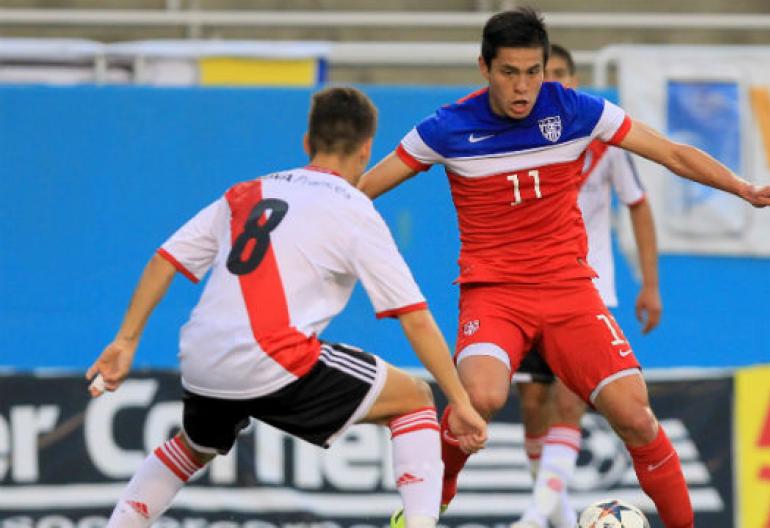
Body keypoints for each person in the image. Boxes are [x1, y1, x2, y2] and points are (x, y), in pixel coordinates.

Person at [358, 8, 770, 528]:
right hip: (494, 293)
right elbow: (364, 189)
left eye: (533, 72)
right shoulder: (446, 128)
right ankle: (430, 504)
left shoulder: (577, 112)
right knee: (481, 398)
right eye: (508, 73)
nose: (523, 87)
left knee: (636, 416)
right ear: (484, 67)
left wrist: (743, 187)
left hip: (570, 292)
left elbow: (671, 153)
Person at [85, 86, 487, 527]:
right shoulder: (352, 208)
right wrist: (461, 401)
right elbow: (414, 317)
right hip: (271, 356)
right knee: (414, 399)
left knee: (194, 446)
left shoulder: (246, 193)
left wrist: (125, 340)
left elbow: (166, 259)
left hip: (201, 359)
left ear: (306, 142)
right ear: (367, 149)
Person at [510, 43, 662, 528]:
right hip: (527, 285)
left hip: (588, 285)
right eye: (543, 74)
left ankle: (536, 515)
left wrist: (649, 284)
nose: (551, 82)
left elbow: (637, 204)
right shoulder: (515, 140)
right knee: (532, 403)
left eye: (559, 73)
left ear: (573, 81)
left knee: (570, 396)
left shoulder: (604, 139)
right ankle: (557, 514)